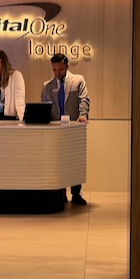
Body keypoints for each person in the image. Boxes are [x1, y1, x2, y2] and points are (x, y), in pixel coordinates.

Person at [41, 53, 90, 206]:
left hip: (73, 128)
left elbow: (83, 99)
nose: (57, 73)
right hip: (55, 130)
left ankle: (76, 194)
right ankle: (60, 194)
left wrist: (83, 115)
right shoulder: (47, 86)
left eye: (60, 69)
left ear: (67, 66)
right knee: (58, 162)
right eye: (54, 70)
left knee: (74, 161)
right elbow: (44, 106)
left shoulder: (78, 80)